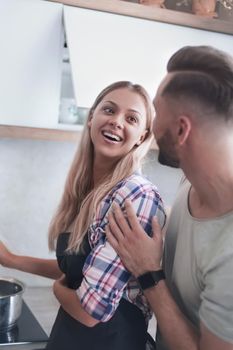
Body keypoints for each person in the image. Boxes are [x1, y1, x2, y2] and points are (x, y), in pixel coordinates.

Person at [0, 81, 166, 350]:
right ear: (91, 118)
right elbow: (81, 267)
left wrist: (58, 290)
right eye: (109, 110)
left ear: (142, 136)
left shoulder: (135, 194)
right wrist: (10, 259)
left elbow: (91, 311)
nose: (116, 122)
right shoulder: (88, 192)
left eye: (131, 118)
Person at [106, 46, 233, 350]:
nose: (151, 124)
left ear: (180, 130)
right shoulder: (193, 179)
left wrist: (148, 272)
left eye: (157, 111)